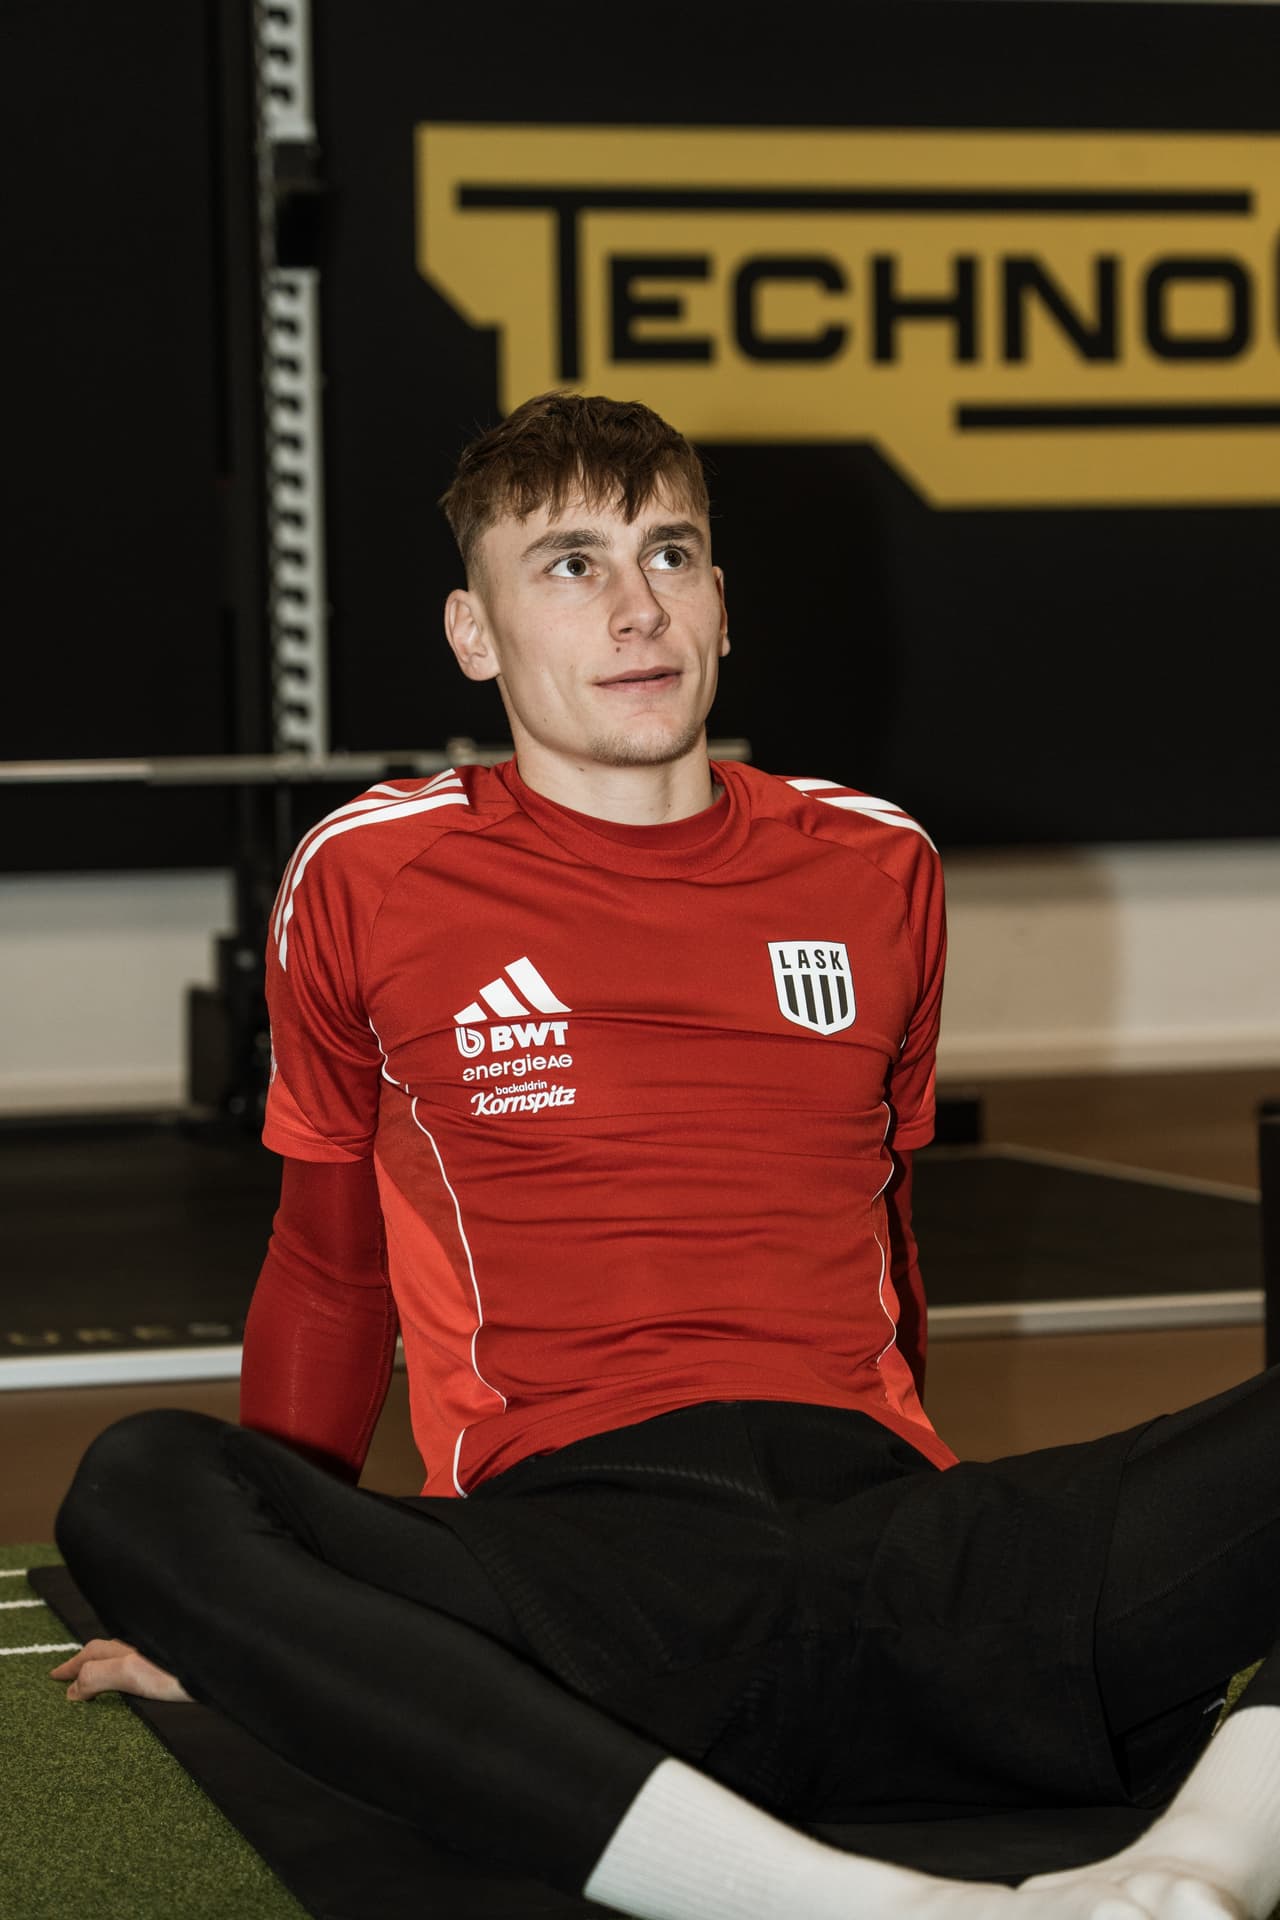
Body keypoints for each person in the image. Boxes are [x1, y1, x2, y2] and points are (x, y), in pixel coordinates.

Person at [54, 393, 1280, 1920]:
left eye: (670, 554)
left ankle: (1193, 1869)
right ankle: (858, 1910)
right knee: (140, 1481)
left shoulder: (875, 861)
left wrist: (936, 1532)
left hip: (915, 1552)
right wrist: (268, 1613)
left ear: (721, 604)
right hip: (586, 1581)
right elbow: (326, 1263)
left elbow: (882, 1228)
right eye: (569, 564)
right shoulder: (371, 873)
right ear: (474, 634)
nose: (635, 608)